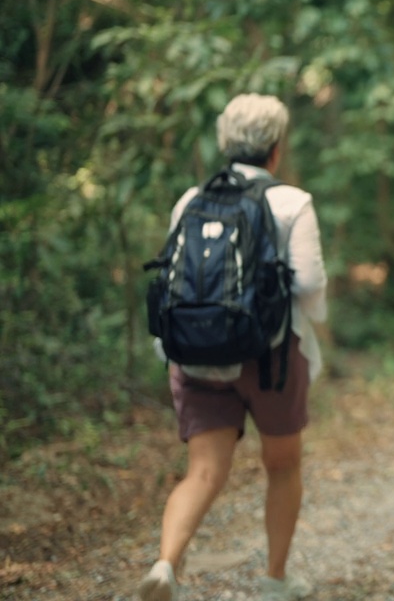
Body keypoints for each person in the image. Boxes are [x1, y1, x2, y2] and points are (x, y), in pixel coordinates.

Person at [139, 94, 328, 601]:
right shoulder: (292, 202)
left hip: (196, 354)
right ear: (276, 147)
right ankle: (274, 580)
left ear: (226, 142)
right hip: (270, 359)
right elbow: (308, 285)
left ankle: (164, 566)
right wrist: (313, 334)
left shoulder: (191, 199)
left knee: (203, 469)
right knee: (282, 465)